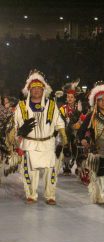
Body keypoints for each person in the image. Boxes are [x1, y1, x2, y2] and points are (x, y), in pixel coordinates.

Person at [14, 70, 67, 205]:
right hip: (29, 144)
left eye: (39, 88)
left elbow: (59, 122)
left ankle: (50, 195)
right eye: (34, 88)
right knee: (31, 171)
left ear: (44, 90)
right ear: (29, 90)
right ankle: (31, 194)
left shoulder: (51, 105)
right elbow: (14, 125)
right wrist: (19, 132)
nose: (36, 91)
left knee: (51, 170)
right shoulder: (21, 106)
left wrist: (63, 134)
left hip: (48, 143)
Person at [58, 79, 84, 175]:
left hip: (76, 132)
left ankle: (79, 164)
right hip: (66, 132)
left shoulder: (79, 107)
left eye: (71, 97)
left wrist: (79, 123)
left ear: (74, 98)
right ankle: (66, 166)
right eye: (68, 97)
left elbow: (82, 119)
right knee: (65, 146)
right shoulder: (63, 108)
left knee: (78, 146)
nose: (69, 99)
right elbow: (59, 120)